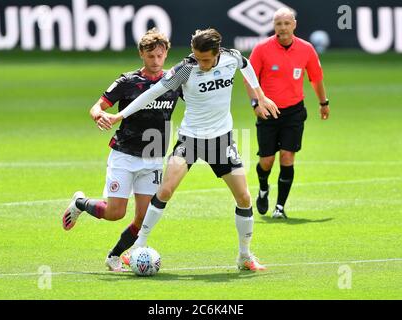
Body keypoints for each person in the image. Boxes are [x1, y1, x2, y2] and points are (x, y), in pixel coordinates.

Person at [105, 28, 280, 271]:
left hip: (221, 140)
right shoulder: (185, 69)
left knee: (244, 198)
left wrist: (260, 97)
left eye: (206, 59)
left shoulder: (231, 58)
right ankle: (138, 247)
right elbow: (152, 93)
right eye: (197, 57)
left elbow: (246, 65)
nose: (201, 63)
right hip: (190, 139)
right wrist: (119, 115)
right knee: (165, 190)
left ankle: (244, 256)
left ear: (217, 52)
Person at [61, 28, 182, 272]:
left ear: (166, 53)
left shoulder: (174, 81)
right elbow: (97, 106)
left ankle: (114, 255)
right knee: (115, 213)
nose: (156, 61)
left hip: (154, 158)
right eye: (151, 56)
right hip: (125, 155)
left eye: (160, 56)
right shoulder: (128, 81)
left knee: (143, 218)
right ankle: (80, 203)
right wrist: (99, 116)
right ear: (141, 54)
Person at [245, 7, 330, 219]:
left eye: (286, 23)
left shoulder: (306, 49)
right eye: (278, 24)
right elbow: (249, 79)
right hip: (268, 111)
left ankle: (280, 208)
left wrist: (323, 102)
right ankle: (263, 188)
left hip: (294, 112)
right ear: (274, 26)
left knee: (287, 156)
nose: (282, 28)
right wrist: (256, 104)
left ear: (294, 25)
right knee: (266, 161)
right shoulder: (262, 49)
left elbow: (316, 78)